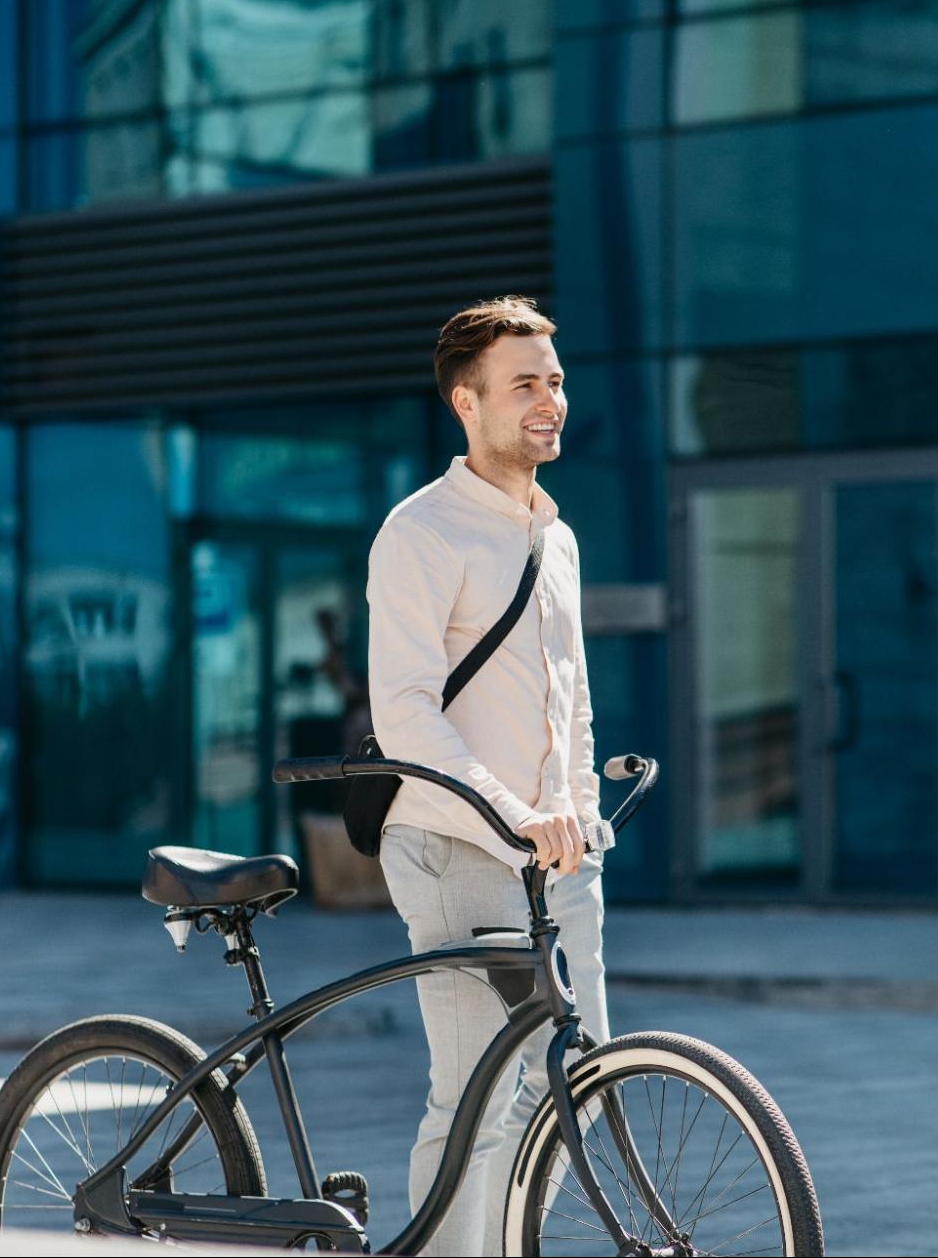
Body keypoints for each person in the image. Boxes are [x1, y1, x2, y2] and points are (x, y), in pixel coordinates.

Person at [366, 295, 607, 1254]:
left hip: (555, 856)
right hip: (453, 839)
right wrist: (510, 814)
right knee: (477, 1093)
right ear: (467, 402)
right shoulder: (420, 532)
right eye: (525, 385)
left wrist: (579, 816)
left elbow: (571, 699)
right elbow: (405, 713)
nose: (549, 399)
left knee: (574, 1086)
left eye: (553, 380)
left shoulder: (557, 536)